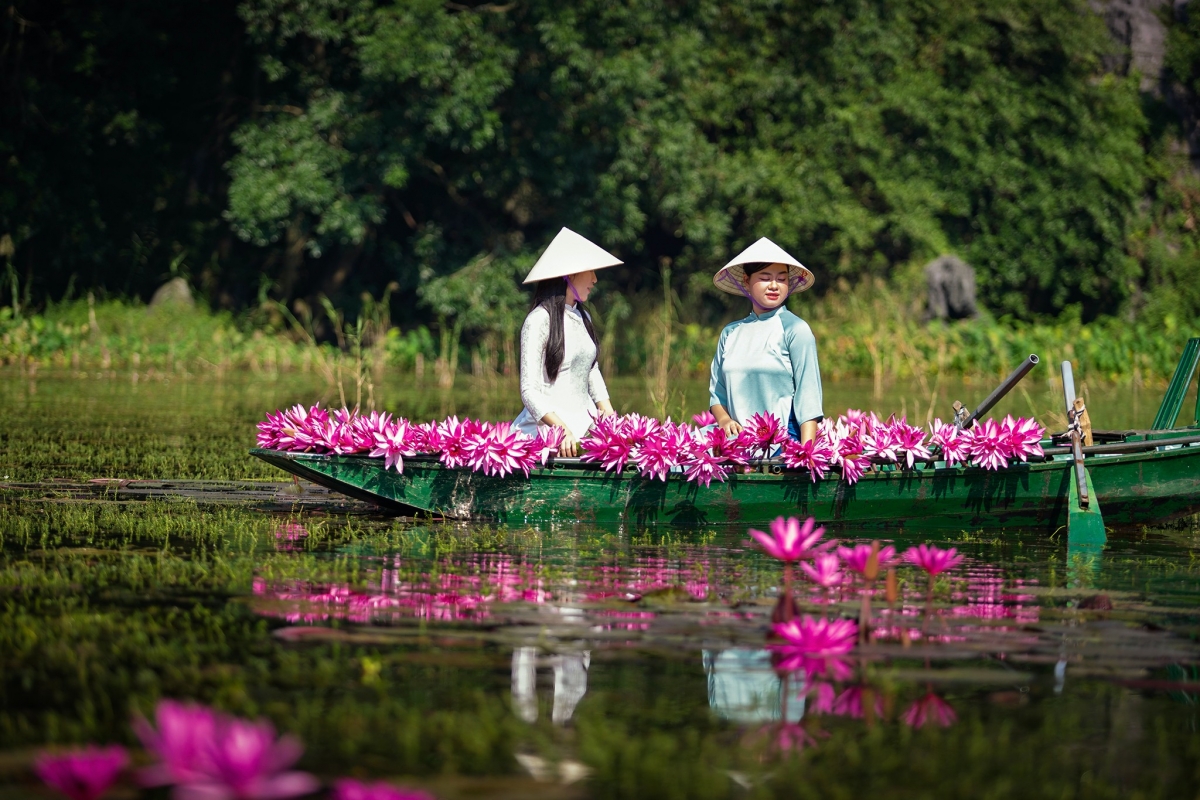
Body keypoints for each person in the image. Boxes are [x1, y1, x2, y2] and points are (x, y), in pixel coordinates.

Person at [513, 227, 620, 456]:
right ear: (569, 274)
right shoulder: (538, 320)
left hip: (585, 428)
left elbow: (591, 370)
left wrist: (609, 414)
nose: (595, 279)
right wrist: (561, 429)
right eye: (590, 271)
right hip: (547, 432)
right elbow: (528, 390)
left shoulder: (584, 316)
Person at [708, 237, 823, 443]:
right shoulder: (730, 333)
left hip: (780, 443)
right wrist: (724, 420)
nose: (774, 286)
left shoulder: (796, 329)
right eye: (765, 277)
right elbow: (717, 394)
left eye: (782, 279)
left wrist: (806, 454)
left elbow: (809, 398)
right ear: (746, 281)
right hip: (735, 443)